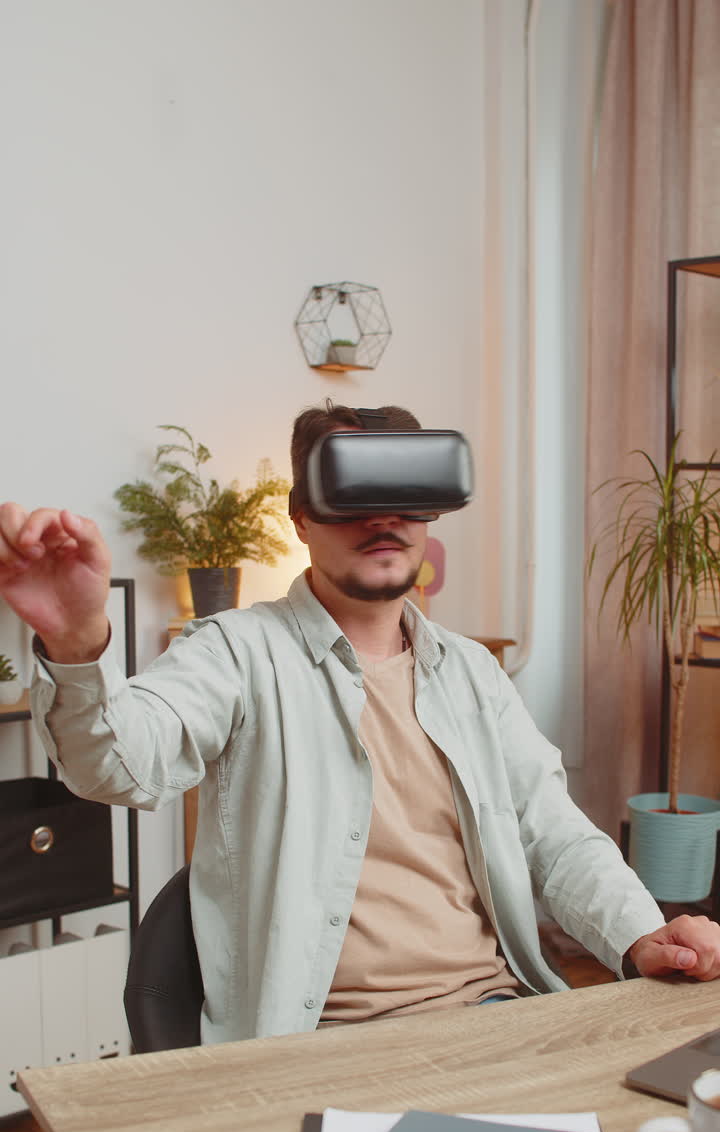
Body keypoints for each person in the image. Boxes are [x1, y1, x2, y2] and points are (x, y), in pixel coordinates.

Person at [1, 402, 719, 1045]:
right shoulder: (234, 652)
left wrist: (644, 935)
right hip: (324, 1042)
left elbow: (555, 836)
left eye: (403, 492)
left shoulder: (473, 673)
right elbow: (115, 766)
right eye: (352, 491)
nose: (383, 517)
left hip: (495, 1016)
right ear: (302, 516)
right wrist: (77, 640)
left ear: (432, 507)